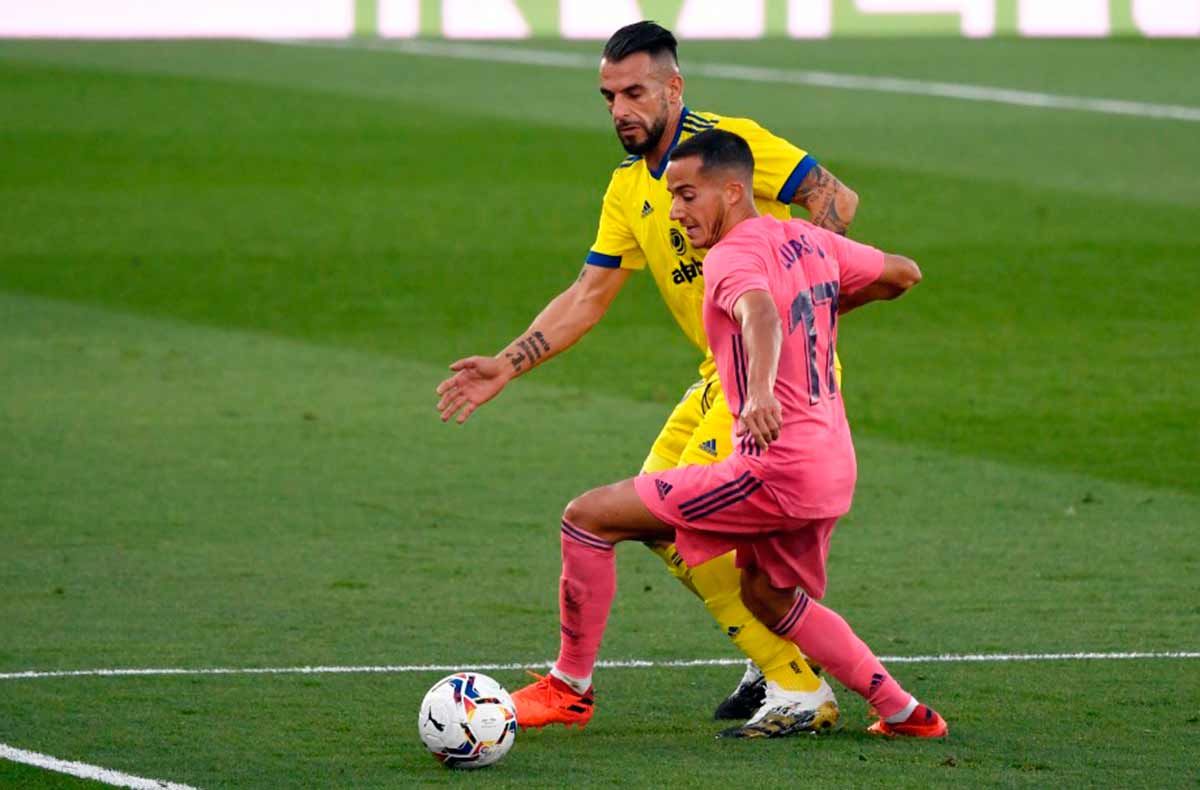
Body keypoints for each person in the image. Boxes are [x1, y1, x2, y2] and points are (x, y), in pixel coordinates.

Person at [436, 21, 861, 734]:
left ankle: (794, 683)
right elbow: (588, 294)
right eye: (608, 97)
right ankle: (776, 658)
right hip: (717, 379)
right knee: (658, 528)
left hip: (769, 384)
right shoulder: (629, 186)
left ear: (674, 87)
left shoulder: (731, 147)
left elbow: (835, 199)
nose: (620, 110)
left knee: (663, 517)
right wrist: (506, 363)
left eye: (634, 92)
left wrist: (806, 295)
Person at [506, 128, 947, 740]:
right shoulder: (810, 240)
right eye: (671, 196)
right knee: (768, 596)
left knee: (588, 519)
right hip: (833, 466)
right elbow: (903, 273)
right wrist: (819, 305)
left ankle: (570, 688)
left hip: (774, 469)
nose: (675, 211)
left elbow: (758, 312)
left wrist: (760, 390)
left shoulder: (729, 257)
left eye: (687, 196)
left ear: (734, 191)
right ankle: (906, 714)